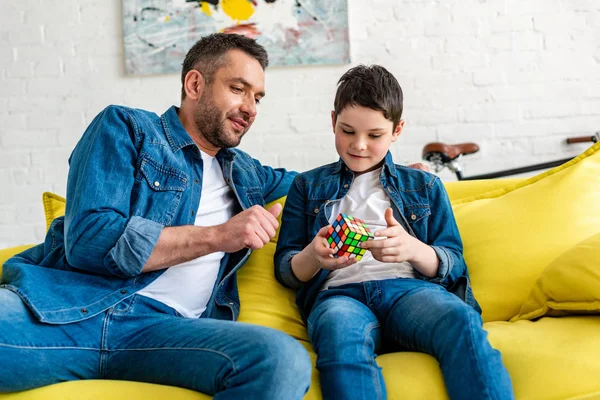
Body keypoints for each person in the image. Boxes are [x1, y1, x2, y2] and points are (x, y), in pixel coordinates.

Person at [0, 33, 313, 399]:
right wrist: (217, 236)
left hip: (169, 335)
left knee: (281, 360)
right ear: (195, 84)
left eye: (257, 98)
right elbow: (89, 239)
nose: (251, 107)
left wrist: (393, 173)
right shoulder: (126, 128)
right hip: (69, 314)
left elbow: (325, 183)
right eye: (238, 89)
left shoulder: (247, 174)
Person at [274, 65, 515, 400]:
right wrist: (314, 256)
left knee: (459, 320)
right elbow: (286, 268)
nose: (359, 145)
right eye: (347, 131)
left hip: (409, 290)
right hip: (341, 295)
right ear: (333, 122)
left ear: (397, 130)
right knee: (338, 334)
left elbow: (454, 261)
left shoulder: (424, 185)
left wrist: (414, 249)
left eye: (374, 136)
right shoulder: (307, 186)